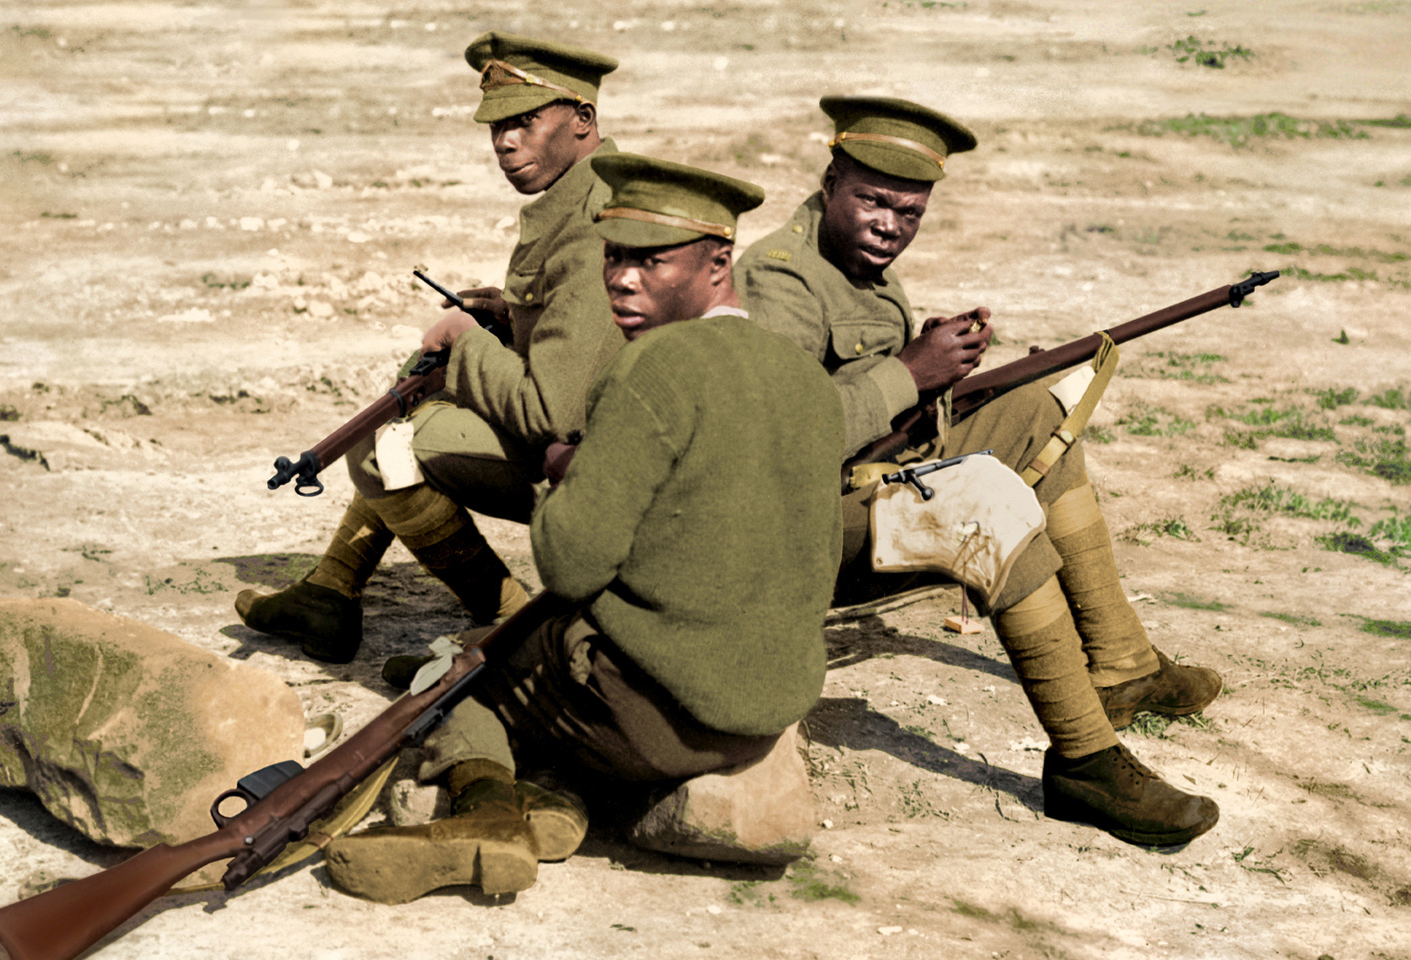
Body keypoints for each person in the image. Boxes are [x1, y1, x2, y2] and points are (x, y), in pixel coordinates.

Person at [324, 153, 844, 903]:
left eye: (651, 261)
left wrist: (561, 475)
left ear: (719, 262)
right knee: (533, 655)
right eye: (614, 255)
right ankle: (554, 802)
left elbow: (569, 562)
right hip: (766, 708)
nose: (622, 280)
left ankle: (484, 815)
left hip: (654, 719)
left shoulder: (651, 367)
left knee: (463, 673)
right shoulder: (804, 379)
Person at [737, 96, 1222, 846]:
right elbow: (775, 442)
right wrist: (909, 371)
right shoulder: (781, 278)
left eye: (910, 211)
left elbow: (871, 410)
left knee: (1038, 412)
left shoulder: (860, 268)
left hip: (858, 485)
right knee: (982, 502)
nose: (888, 225)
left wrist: (937, 370)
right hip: (794, 533)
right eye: (871, 199)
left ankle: (1123, 661)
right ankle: (1084, 760)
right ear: (831, 180)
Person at [235, 32, 628, 662]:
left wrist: (468, 341)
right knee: (422, 377)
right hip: (592, 434)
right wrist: (507, 312)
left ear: (583, 119)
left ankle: (508, 621)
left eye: (525, 122)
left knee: (383, 447)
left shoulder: (590, 221)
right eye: (496, 126)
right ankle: (332, 587)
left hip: (608, 474)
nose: (505, 141)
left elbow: (557, 410)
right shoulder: (584, 192)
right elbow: (584, 329)